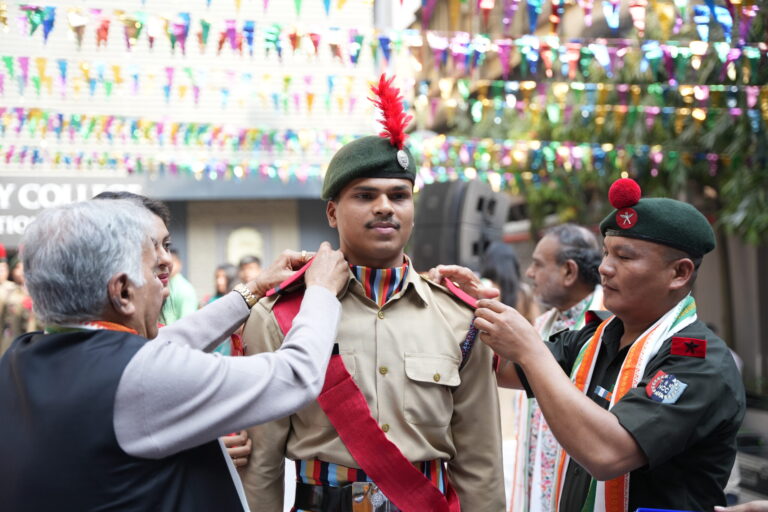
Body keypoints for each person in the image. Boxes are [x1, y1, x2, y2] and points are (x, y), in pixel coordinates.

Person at [239, 75, 505, 512]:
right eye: (365, 195)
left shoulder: (460, 318)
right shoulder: (281, 314)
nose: (385, 207)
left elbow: (480, 460)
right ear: (332, 212)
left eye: (399, 195)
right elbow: (261, 463)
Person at [0, 199, 349, 511]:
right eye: (154, 270)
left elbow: (168, 344)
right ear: (123, 291)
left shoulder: (23, 355)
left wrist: (253, 290)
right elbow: (293, 377)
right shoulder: (137, 376)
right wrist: (321, 291)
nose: (164, 280)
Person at [474, 178, 746, 511]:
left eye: (624, 257)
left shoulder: (699, 360)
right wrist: (460, 302)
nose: (604, 268)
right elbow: (504, 368)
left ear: (679, 273)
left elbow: (607, 454)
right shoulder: (595, 338)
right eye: (605, 252)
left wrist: (530, 349)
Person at [500, 223, 604, 512]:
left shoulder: (607, 328)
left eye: (537, 264)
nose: (529, 273)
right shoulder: (540, 326)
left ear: (569, 271)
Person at [161, 248, 199, 323]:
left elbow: (187, 322)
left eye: (172, 262)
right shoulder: (162, 285)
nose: (168, 266)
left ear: (179, 264)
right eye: (165, 263)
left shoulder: (186, 289)